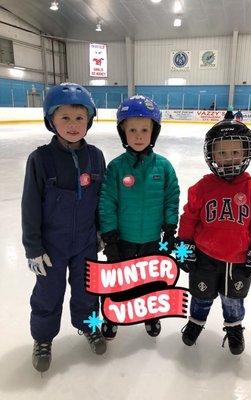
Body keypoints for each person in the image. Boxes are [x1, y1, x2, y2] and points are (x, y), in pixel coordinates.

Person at [21, 83, 107, 373]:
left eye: (79, 118)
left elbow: (102, 200)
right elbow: (30, 206)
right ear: (51, 120)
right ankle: (43, 339)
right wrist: (33, 247)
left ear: (89, 121)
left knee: (87, 291)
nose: (73, 125)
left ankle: (90, 326)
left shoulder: (95, 157)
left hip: (86, 242)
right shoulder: (40, 160)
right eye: (65, 118)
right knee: (48, 293)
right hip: (51, 246)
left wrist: (102, 231)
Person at [178, 119, 251, 355]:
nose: (228, 157)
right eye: (221, 152)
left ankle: (234, 327)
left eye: (234, 152)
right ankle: (196, 322)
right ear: (211, 154)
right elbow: (189, 218)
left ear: (245, 153)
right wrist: (184, 245)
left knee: (233, 300)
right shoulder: (202, 187)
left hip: (238, 260)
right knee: (201, 295)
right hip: (205, 257)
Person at [98, 95, 180, 340]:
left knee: (152, 280)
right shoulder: (115, 167)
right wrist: (110, 237)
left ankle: (150, 313)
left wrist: (169, 227)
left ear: (154, 132)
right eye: (132, 129)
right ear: (123, 132)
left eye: (145, 129)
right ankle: (111, 315)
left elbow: (171, 197)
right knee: (118, 280)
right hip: (123, 238)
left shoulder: (164, 167)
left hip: (152, 239)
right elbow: (107, 201)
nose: (138, 135)